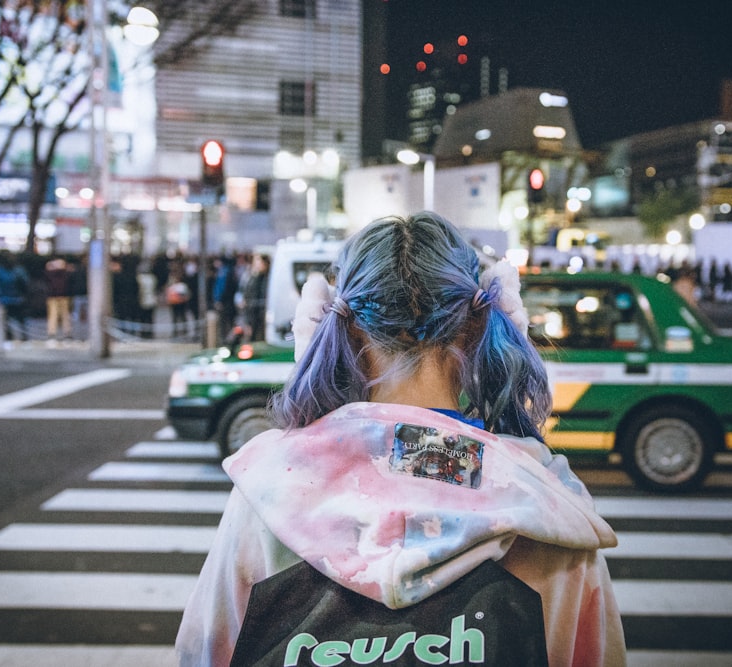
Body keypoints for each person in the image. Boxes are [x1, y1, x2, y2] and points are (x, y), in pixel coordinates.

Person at [176, 212, 625, 666]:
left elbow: (205, 654)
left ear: (337, 325)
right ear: (478, 325)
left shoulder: (272, 491)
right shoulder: (547, 508)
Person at [44, 257, 72, 341]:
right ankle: (63, 332)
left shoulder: (51, 273)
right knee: (61, 315)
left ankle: (54, 332)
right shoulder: (65, 273)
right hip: (60, 296)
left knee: (58, 315)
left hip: (57, 296)